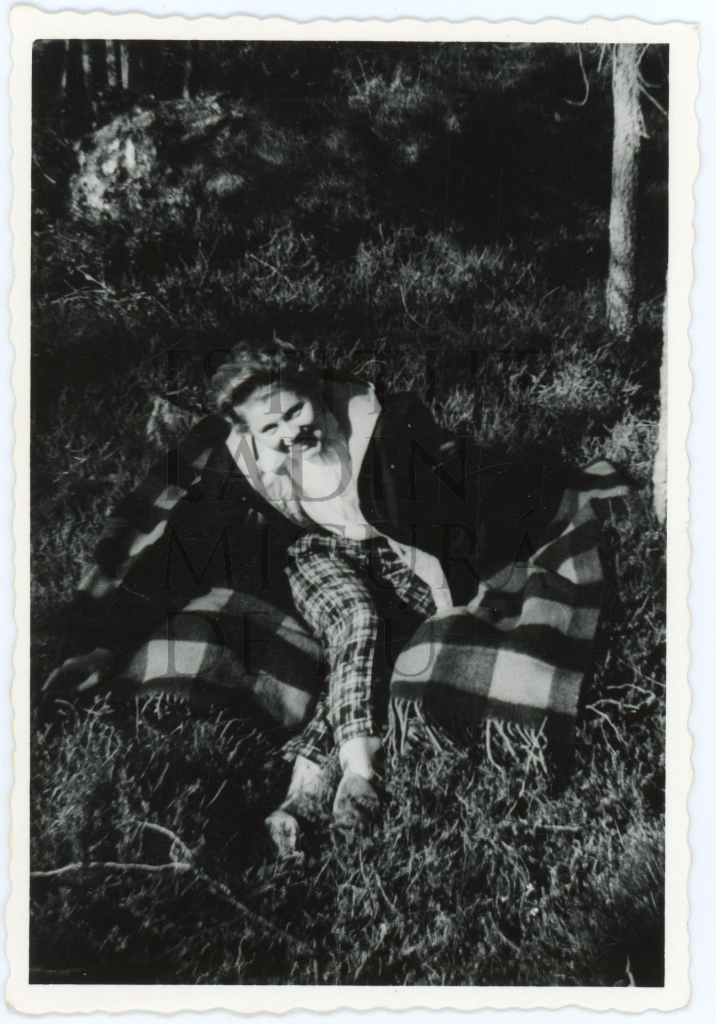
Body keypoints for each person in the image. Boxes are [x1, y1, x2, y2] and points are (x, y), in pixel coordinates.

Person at [44, 339, 470, 852]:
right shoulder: (246, 460)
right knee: (357, 620)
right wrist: (110, 644)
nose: (292, 432)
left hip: (402, 559)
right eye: (270, 427)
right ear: (248, 431)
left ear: (316, 389)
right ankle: (364, 771)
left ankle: (305, 795)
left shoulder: (381, 425)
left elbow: (447, 513)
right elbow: (187, 544)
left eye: (296, 410)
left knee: (368, 654)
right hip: (319, 552)